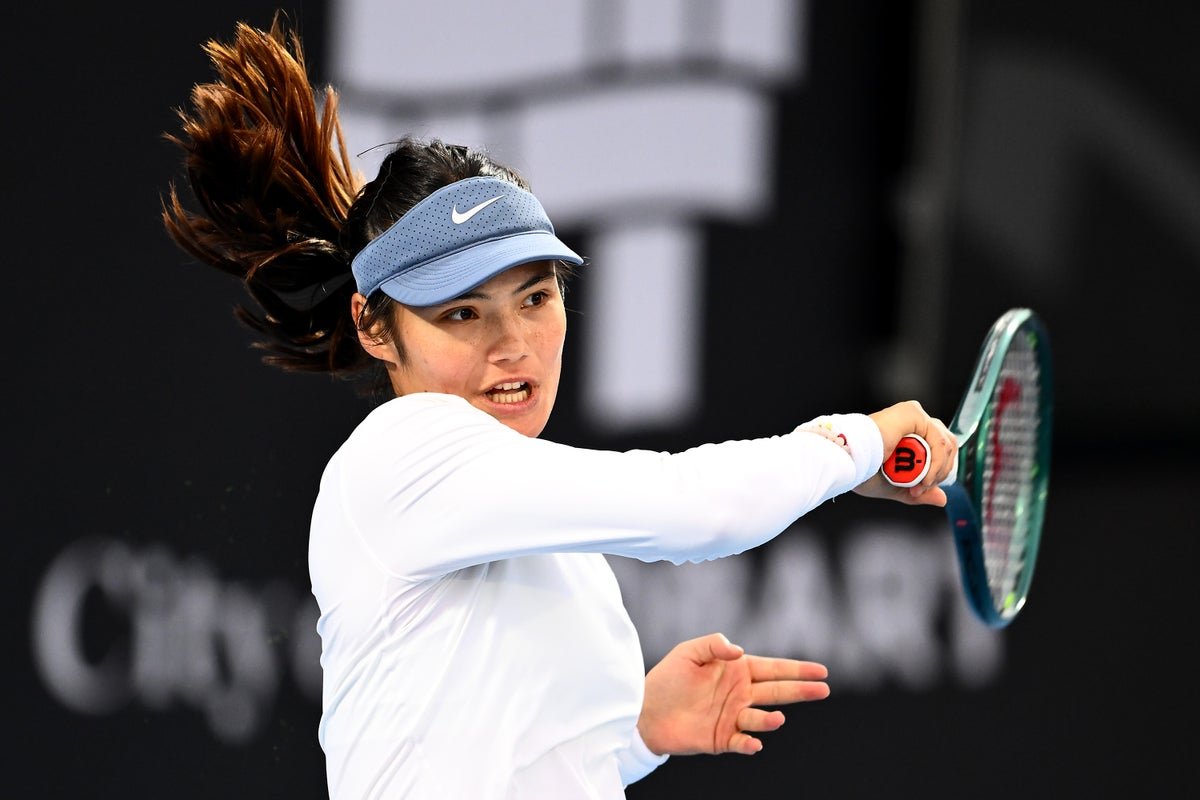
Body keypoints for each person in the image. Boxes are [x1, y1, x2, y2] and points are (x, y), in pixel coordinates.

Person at [162, 13, 957, 800]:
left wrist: (634, 734)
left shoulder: (550, 538)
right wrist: (852, 444)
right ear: (374, 325)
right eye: (461, 312)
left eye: (536, 297)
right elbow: (695, 509)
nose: (512, 343)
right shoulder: (400, 453)